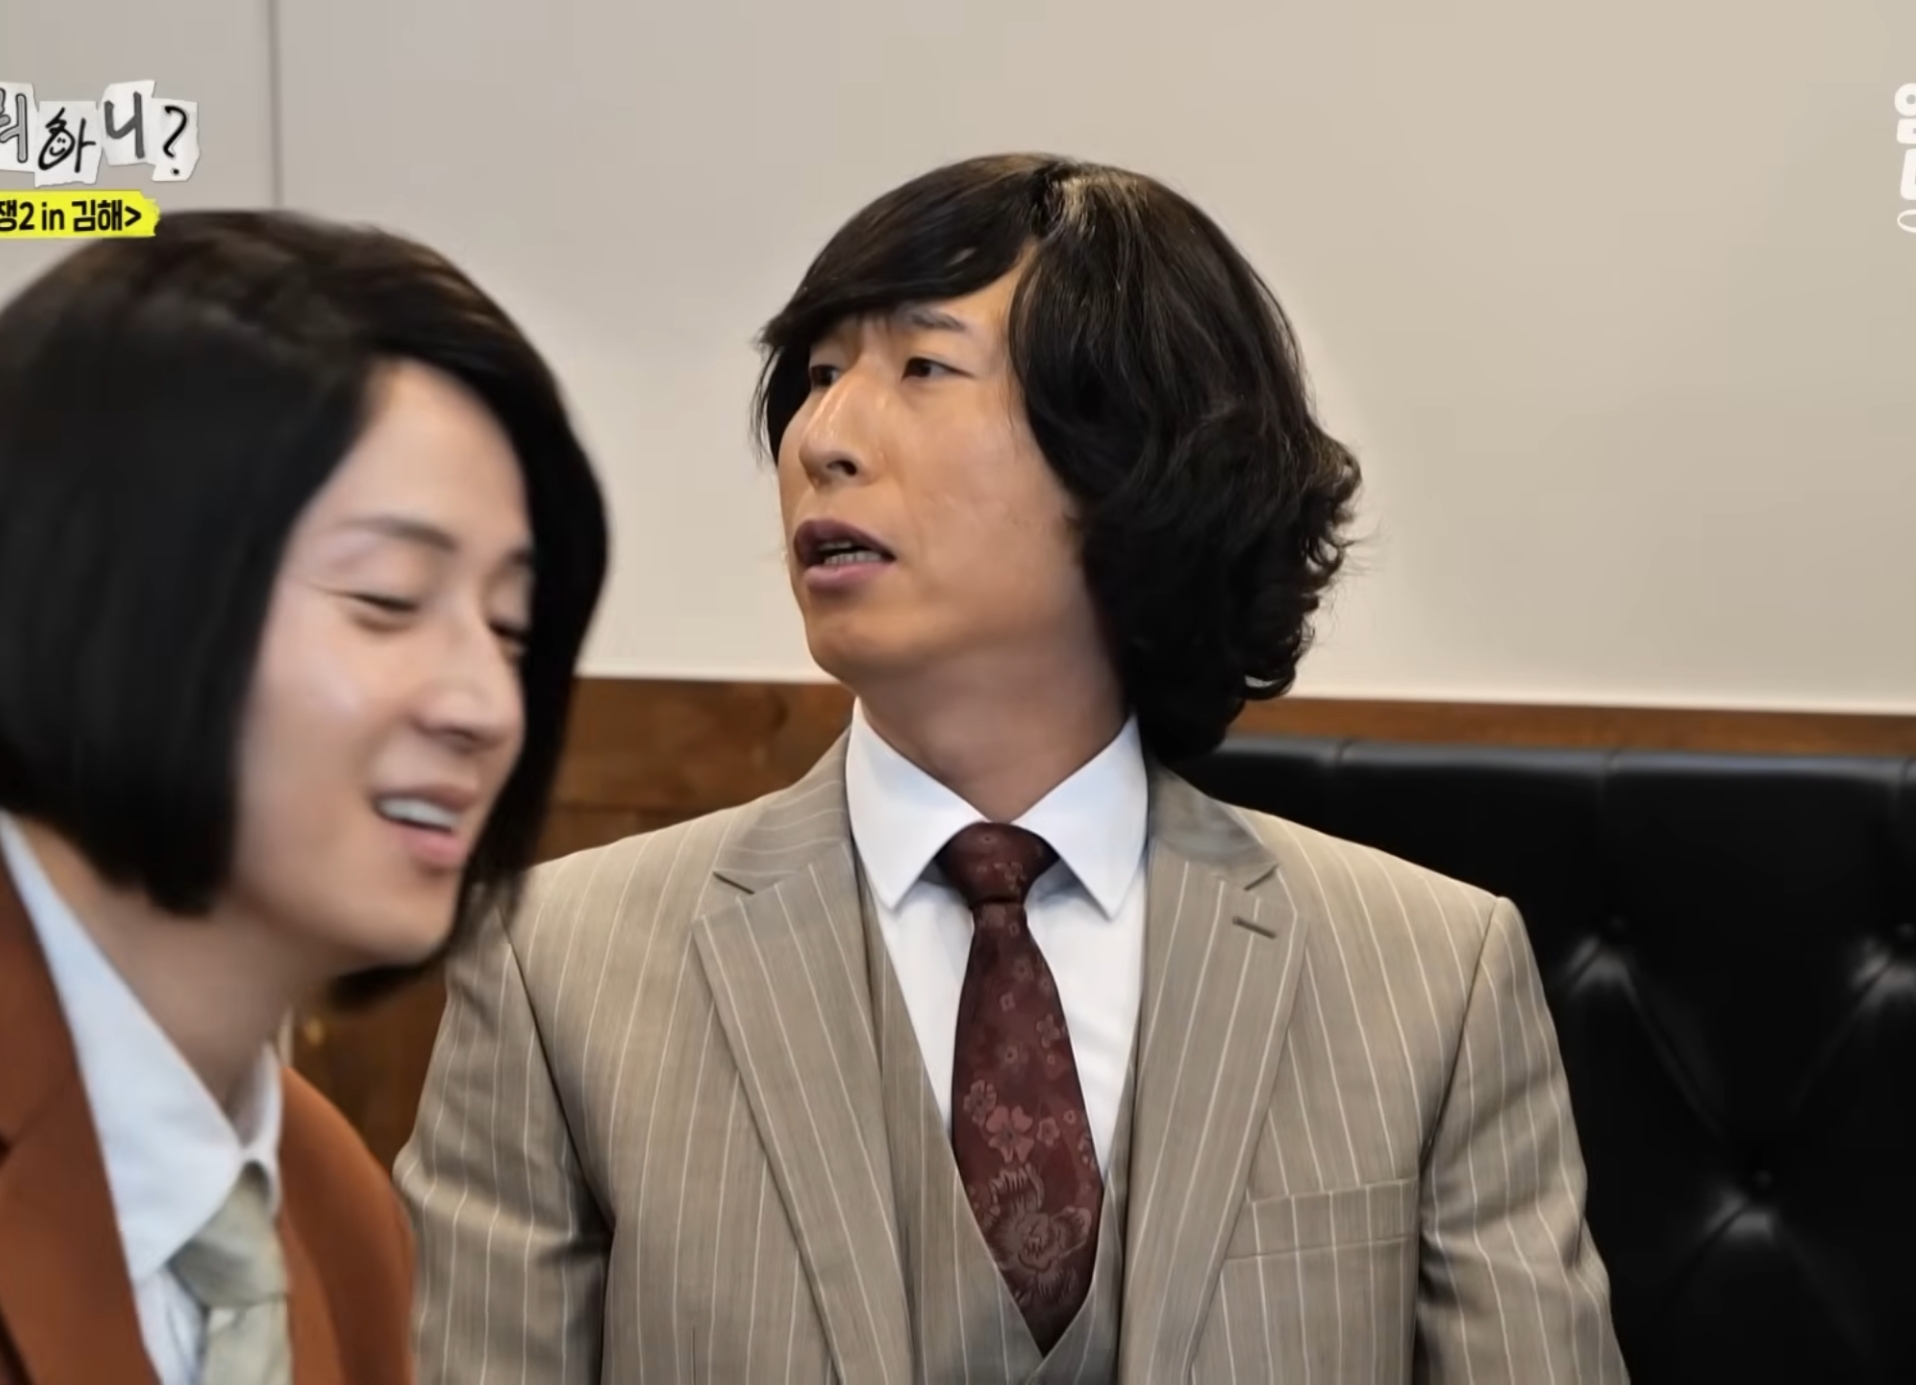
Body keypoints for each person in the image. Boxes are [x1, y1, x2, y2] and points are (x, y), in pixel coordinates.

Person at [401, 154, 1625, 1382]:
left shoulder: (1431, 977)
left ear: (1131, 459)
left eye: (921, 368)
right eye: (818, 377)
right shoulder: (557, 968)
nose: (822, 438)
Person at [0, 211, 607, 1385]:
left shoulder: (332, 1207)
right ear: (116, 593)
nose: (485, 704)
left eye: (510, 627)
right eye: (388, 598)